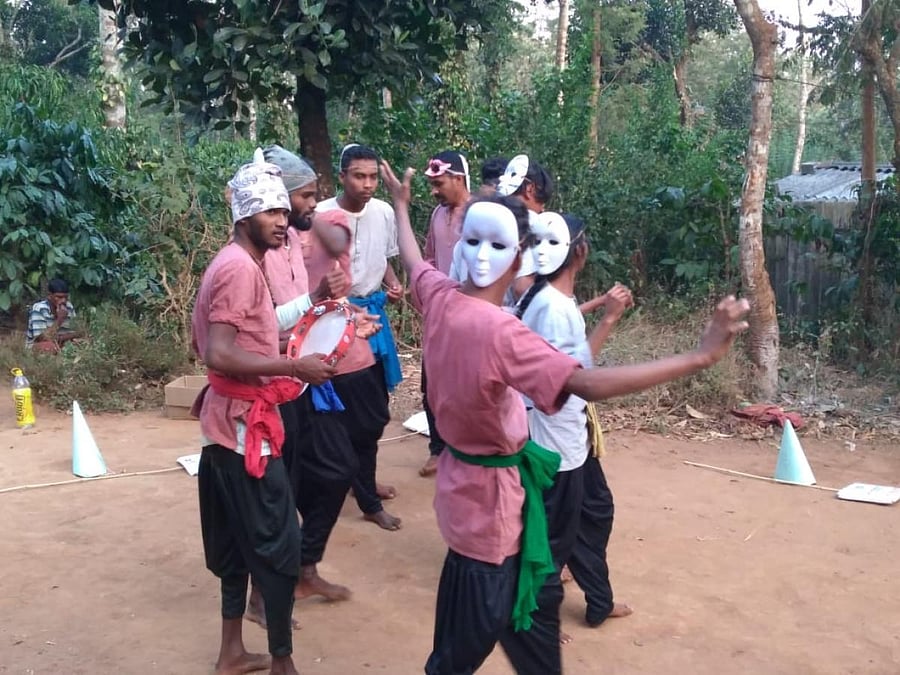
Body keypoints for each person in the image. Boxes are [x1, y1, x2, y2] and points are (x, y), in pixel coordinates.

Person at [379, 160, 750, 675]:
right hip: (486, 517)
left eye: (492, 243)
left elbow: (415, 259)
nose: (483, 255)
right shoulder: (497, 331)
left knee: (535, 617)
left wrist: (401, 205)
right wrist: (699, 357)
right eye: (475, 242)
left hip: (490, 500)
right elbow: (583, 382)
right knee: (459, 652)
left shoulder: (440, 298)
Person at [191, 154, 344, 675]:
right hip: (242, 431)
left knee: (234, 544)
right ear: (243, 215)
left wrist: (312, 302)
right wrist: (294, 365)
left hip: (226, 424)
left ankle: (231, 651)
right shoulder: (238, 268)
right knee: (279, 548)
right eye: (271, 211)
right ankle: (283, 663)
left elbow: (259, 321)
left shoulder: (237, 262)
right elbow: (219, 352)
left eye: (286, 210)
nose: (282, 220)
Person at [515, 212, 633, 646]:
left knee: (593, 512)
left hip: (565, 435)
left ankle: (599, 600)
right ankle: (535, 619)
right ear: (579, 253)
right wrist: (609, 319)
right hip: (554, 439)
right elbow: (572, 375)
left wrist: (600, 307)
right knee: (556, 533)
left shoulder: (540, 298)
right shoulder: (553, 307)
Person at [317, 143, 402, 530]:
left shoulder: (384, 212)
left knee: (373, 406)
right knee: (347, 412)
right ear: (342, 176)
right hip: (332, 322)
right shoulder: (320, 217)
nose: (368, 184)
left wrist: (394, 281)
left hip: (373, 319)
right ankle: (361, 493)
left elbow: (382, 257)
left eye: (372, 177)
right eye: (359, 176)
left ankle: (362, 483)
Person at [419, 150, 471, 478]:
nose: (434, 191)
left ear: (459, 179)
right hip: (438, 311)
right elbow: (428, 256)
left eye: (439, 184)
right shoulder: (438, 214)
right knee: (432, 382)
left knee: (469, 382)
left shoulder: (481, 214)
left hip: (472, 313)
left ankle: (467, 448)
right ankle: (438, 448)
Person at [25, 279, 81, 353]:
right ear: (49, 295)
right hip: (38, 345)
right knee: (49, 347)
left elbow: (77, 333)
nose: (63, 300)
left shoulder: (69, 307)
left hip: (62, 343)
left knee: (83, 343)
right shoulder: (39, 309)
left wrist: (60, 338)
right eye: (59, 297)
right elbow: (41, 339)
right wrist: (59, 320)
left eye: (66, 297)